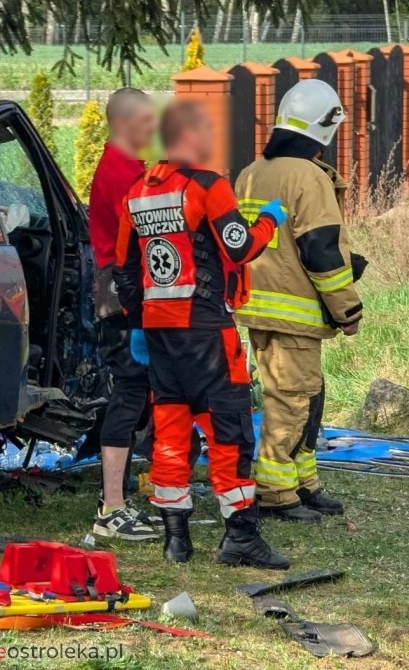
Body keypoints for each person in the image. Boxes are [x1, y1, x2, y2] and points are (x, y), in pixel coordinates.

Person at [114, 99, 289, 567]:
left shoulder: (137, 194)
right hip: (207, 331)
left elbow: (124, 269)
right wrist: (271, 219)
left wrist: (137, 324)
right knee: (229, 430)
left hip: (158, 334)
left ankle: (176, 539)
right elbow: (241, 247)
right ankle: (241, 536)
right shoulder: (208, 187)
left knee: (170, 431)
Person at [232, 79, 362, 523]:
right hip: (296, 311)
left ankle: (303, 483)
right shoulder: (307, 175)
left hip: (258, 307)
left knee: (306, 397)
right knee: (290, 402)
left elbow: (268, 242)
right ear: (323, 127)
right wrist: (348, 308)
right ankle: (275, 492)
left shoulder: (251, 172)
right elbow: (320, 249)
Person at [87, 88, 160, 541]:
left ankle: (133, 495)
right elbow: (143, 237)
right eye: (147, 120)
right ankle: (111, 508)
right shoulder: (121, 173)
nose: (154, 128)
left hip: (130, 294)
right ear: (126, 124)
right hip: (123, 297)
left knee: (140, 394)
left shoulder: (130, 168)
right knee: (130, 393)